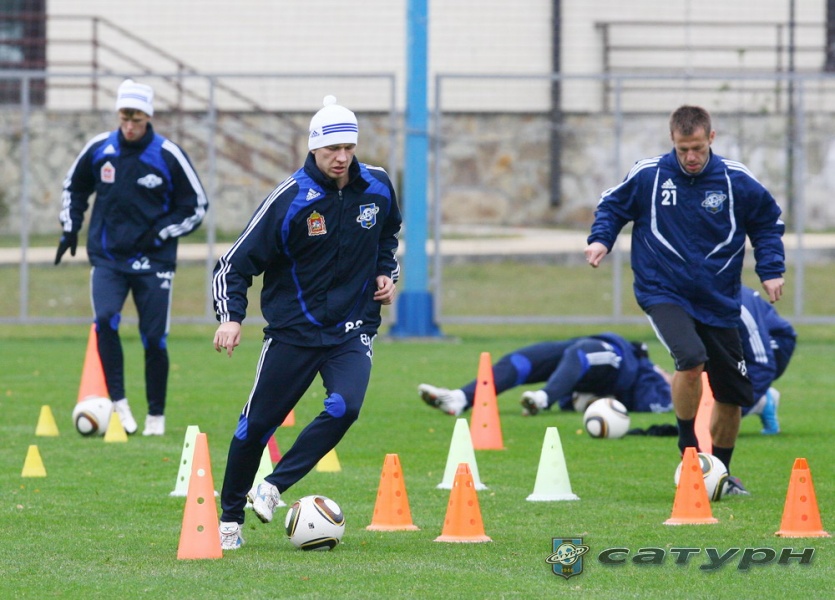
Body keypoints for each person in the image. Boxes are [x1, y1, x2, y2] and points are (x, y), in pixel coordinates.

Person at [212, 95, 402, 551]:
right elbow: (234, 264)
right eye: (332, 149)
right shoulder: (290, 199)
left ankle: (273, 486)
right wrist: (231, 317)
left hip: (351, 329)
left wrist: (386, 273)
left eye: (349, 148)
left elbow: (387, 236)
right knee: (255, 427)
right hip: (294, 333)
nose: (341, 157)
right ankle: (230, 520)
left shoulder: (377, 186)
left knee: (345, 408)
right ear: (314, 148)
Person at [584, 105, 785, 495]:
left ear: (711, 138)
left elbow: (767, 222)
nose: (690, 157)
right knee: (691, 360)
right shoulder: (650, 175)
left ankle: (720, 474)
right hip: (663, 290)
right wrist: (600, 240)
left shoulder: (735, 180)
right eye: (682, 149)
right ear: (672, 141)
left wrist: (771, 269)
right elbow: (612, 205)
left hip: (718, 298)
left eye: (697, 148)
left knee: (732, 394)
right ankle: (688, 447)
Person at [55, 79, 208, 437]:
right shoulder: (100, 149)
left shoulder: (167, 154)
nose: (129, 125)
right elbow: (74, 187)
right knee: (105, 320)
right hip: (108, 258)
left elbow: (196, 205)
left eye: (136, 118)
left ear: (148, 117)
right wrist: (70, 227)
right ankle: (119, 405)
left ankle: (156, 416)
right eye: (124, 117)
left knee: (154, 338)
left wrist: (161, 232)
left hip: (154, 263)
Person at [418, 332, 674, 417]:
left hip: (615, 364)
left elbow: (654, 404)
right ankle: (460, 398)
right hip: (596, 350)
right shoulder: (654, 370)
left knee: (580, 353)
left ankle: (542, 398)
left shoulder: (660, 390)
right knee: (519, 361)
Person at [738, 285, 797, 435]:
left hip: (775, 340)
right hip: (747, 341)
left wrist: (732, 411)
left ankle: (762, 401)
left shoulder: (737, 301)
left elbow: (762, 365)